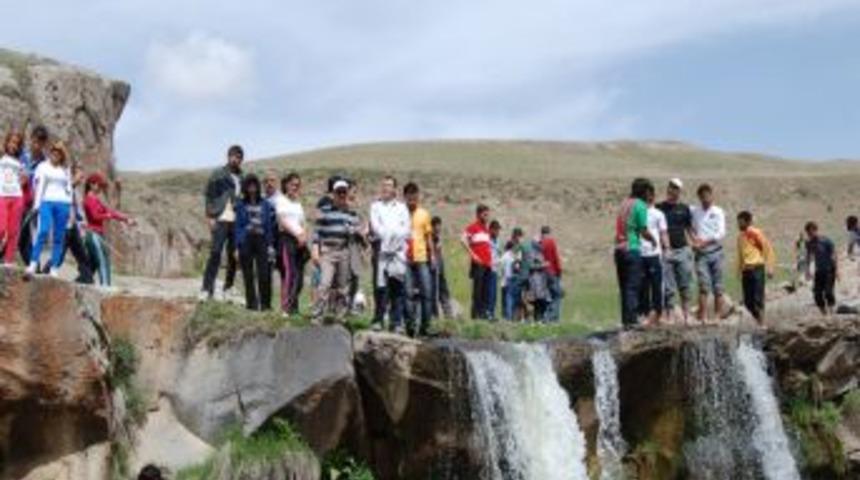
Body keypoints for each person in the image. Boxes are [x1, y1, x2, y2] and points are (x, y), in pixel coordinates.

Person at [311, 179, 360, 322]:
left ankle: (340, 315)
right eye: (338, 192)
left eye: (344, 191)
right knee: (325, 283)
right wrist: (315, 249)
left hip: (344, 251)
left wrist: (356, 231)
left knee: (343, 286)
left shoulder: (352, 213)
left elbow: (357, 231)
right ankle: (317, 314)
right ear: (333, 193)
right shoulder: (325, 211)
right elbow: (317, 232)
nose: (341, 194)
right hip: (328, 251)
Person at [200, 145, 244, 301]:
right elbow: (209, 195)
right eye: (234, 156)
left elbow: (242, 199)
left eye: (239, 157)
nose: (236, 159)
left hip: (236, 221)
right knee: (215, 253)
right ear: (228, 156)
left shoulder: (241, 177)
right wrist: (209, 217)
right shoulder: (218, 173)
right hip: (220, 218)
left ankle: (228, 288)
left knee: (233, 256)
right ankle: (206, 289)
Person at [369, 176, 411, 332]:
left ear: (394, 189)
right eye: (384, 185)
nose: (386, 188)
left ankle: (396, 321)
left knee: (397, 286)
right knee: (380, 287)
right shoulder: (375, 206)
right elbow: (376, 226)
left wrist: (394, 239)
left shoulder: (401, 207)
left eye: (389, 185)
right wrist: (388, 237)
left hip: (398, 251)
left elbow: (406, 228)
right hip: (382, 250)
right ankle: (378, 319)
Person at [27, 142, 73, 277]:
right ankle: (33, 263)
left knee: (59, 237)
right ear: (50, 153)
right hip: (46, 201)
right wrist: (36, 205)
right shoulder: (42, 167)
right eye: (54, 152)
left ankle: (54, 268)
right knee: (43, 230)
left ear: (62, 156)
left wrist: (70, 210)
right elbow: (38, 186)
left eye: (59, 153)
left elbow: (69, 189)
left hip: (63, 203)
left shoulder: (65, 169)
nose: (55, 155)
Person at [614, 178, 655, 328]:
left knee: (624, 286)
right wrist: (653, 240)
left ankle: (625, 320)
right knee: (633, 286)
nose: (649, 197)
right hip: (632, 248)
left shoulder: (624, 203)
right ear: (644, 191)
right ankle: (632, 320)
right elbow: (643, 231)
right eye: (648, 193)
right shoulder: (640, 205)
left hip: (618, 249)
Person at [81, 171, 133, 285]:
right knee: (103, 260)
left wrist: (126, 219)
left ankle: (81, 281)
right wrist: (107, 216)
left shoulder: (96, 200)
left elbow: (111, 211)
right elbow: (95, 216)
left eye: (101, 186)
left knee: (93, 264)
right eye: (99, 185)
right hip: (93, 234)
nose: (100, 188)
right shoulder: (89, 200)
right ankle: (106, 287)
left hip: (98, 234)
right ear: (91, 184)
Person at [656, 178, 695, 324]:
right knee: (668, 286)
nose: (673, 190)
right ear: (668, 189)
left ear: (680, 191)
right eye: (671, 187)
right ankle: (670, 315)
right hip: (666, 251)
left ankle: (687, 315)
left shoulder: (684, 208)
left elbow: (689, 228)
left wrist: (694, 242)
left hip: (682, 250)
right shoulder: (659, 207)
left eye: (676, 188)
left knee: (685, 283)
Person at [234, 174, 274, 311]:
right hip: (246, 240)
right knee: (248, 274)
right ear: (245, 187)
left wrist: (270, 245)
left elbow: (268, 226)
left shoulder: (265, 204)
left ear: (257, 186)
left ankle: (265, 305)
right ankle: (251, 305)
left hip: (262, 239)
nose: (252, 188)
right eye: (249, 185)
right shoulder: (240, 204)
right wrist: (236, 247)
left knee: (264, 273)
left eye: (254, 185)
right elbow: (238, 226)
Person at [691, 183, 726, 322]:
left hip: (716, 251)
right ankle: (703, 317)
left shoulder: (718, 211)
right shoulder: (695, 211)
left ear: (711, 195)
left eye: (708, 196)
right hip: (701, 253)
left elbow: (721, 232)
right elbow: (691, 228)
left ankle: (717, 316)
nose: (706, 199)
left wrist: (706, 241)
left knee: (718, 285)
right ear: (699, 197)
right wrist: (694, 240)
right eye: (703, 197)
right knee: (703, 285)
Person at [274, 173, 308, 316]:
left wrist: (304, 235)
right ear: (286, 185)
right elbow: (282, 221)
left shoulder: (298, 204)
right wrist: (297, 234)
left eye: (297, 185)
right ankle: (285, 308)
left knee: (299, 277)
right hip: (287, 239)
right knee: (290, 273)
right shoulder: (280, 200)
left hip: (300, 241)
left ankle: (294, 308)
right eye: (293, 184)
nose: (295, 187)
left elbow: (303, 223)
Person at [404, 182, 434, 336]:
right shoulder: (400, 213)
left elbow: (429, 237)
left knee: (427, 292)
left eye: (414, 195)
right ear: (405, 197)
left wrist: (433, 256)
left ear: (418, 196)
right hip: (405, 259)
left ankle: (425, 327)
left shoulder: (424, 214)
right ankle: (410, 326)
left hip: (422, 257)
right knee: (408, 294)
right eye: (409, 196)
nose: (412, 198)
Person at [735, 211, 776, 324]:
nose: (738, 225)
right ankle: (759, 321)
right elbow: (740, 255)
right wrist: (738, 271)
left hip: (757, 268)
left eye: (740, 222)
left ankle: (762, 324)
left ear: (747, 222)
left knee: (758, 298)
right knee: (748, 302)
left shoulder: (756, 233)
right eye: (738, 222)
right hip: (746, 271)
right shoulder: (740, 237)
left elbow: (768, 249)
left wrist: (770, 267)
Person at [18, 126, 49, 263]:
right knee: (11, 234)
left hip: (31, 205)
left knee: (26, 238)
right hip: (15, 198)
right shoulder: (21, 155)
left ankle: (34, 268)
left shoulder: (45, 162)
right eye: (35, 141)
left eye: (40, 143)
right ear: (31, 139)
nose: (37, 145)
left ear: (44, 144)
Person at [639, 185, 669, 326]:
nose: (647, 197)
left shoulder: (658, 214)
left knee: (657, 285)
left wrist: (666, 248)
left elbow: (663, 233)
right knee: (643, 286)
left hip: (654, 254)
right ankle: (645, 314)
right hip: (640, 254)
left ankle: (658, 314)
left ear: (653, 196)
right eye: (645, 194)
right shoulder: (638, 212)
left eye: (650, 194)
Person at [461, 204, 493, 320]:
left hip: (487, 264)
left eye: (488, 214)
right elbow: (463, 239)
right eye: (485, 214)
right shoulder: (473, 227)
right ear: (479, 214)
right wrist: (473, 254)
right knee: (477, 291)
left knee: (485, 291)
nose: (487, 216)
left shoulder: (486, 230)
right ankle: (475, 316)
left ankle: (483, 315)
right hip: (478, 264)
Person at [0, 132, 25, 266]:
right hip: (2, 195)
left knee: (13, 230)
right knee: (1, 228)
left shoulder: (20, 161)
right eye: (11, 142)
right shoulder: (1, 157)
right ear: (7, 142)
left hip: (17, 196)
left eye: (16, 143)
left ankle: (8, 260)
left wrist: (22, 180)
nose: (13, 145)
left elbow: (23, 177)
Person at [804, 221, 838, 316]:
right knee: (817, 294)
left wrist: (837, 270)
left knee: (828, 292)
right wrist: (807, 270)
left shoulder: (826, 240)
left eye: (811, 232)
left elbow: (834, 253)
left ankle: (831, 312)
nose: (810, 235)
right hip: (819, 271)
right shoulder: (809, 243)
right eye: (808, 233)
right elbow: (808, 256)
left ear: (815, 230)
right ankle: (824, 314)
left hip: (829, 270)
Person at [430, 216, 453, 319]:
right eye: (436, 226)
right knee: (433, 294)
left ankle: (448, 315)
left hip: (440, 269)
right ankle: (434, 316)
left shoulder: (438, 237)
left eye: (439, 226)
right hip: (433, 270)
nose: (438, 228)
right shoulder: (430, 238)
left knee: (444, 292)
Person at [540, 226, 563, 322]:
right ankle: (553, 317)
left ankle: (547, 316)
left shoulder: (540, 243)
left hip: (543, 272)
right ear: (549, 233)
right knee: (557, 295)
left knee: (549, 295)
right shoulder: (551, 242)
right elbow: (555, 257)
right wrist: (559, 270)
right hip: (552, 272)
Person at [485, 220, 502, 320]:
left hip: (495, 269)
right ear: (491, 229)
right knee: (489, 292)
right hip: (488, 268)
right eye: (496, 230)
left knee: (494, 294)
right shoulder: (487, 239)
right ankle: (487, 313)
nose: (498, 232)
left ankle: (492, 313)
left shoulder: (498, 241)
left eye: (498, 230)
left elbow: (499, 253)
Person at [500, 240, 517, 320]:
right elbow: (516, 267)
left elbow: (501, 268)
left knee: (505, 299)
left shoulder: (504, 256)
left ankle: (506, 316)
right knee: (510, 298)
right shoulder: (512, 256)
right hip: (511, 278)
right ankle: (509, 316)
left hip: (505, 279)